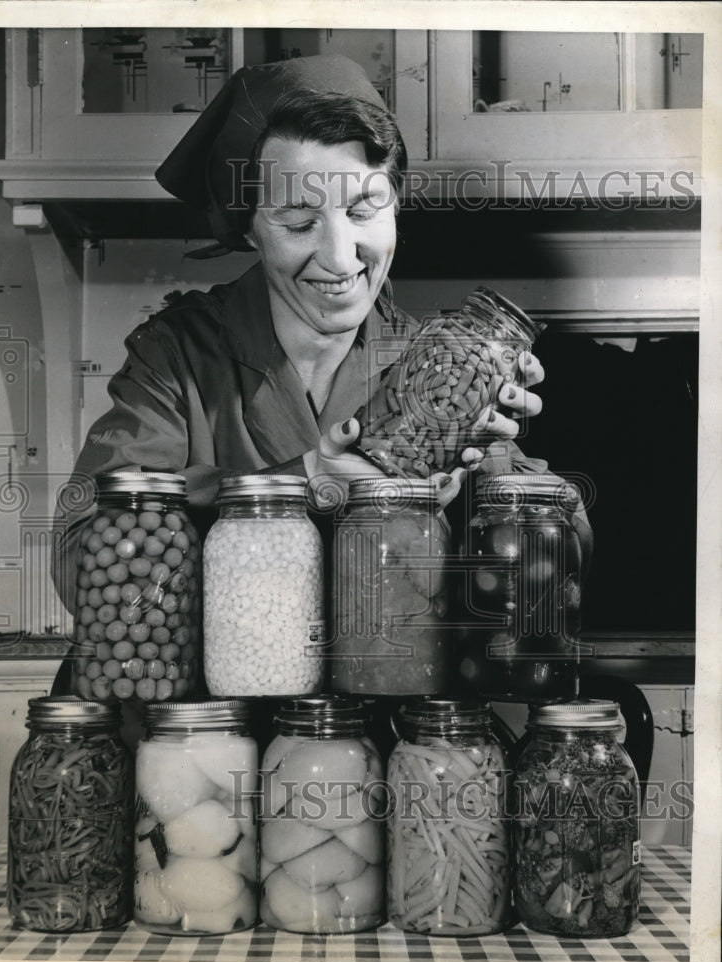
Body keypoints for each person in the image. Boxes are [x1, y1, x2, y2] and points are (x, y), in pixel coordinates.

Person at [52, 54, 566, 615]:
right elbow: (85, 561)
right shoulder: (174, 355)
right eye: (299, 223)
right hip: (218, 701)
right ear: (249, 229)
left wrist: (499, 496)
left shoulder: (438, 365)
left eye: (366, 209)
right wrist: (310, 477)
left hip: (383, 695)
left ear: (396, 203)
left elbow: (554, 569)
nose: (341, 258)